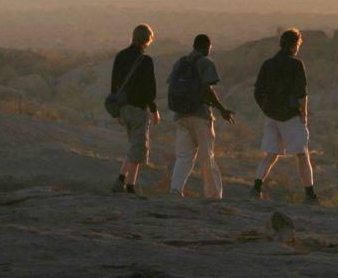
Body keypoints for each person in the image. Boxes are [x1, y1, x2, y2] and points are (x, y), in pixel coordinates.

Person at [251, 29, 319, 204]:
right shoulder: (296, 64)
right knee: (302, 154)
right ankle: (310, 194)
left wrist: (266, 108)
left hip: (272, 114)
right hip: (289, 116)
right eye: (298, 44)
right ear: (294, 44)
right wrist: (303, 115)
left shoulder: (268, 64)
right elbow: (302, 94)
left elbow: (258, 91)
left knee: (271, 153)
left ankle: (256, 188)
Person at [167, 34, 235, 199]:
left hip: (181, 115)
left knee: (184, 156)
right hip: (200, 115)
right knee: (207, 156)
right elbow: (208, 90)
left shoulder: (180, 63)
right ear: (207, 46)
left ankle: (175, 190)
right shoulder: (205, 62)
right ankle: (213, 195)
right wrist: (222, 109)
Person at [109, 24, 158, 194]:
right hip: (138, 109)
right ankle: (130, 187)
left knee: (133, 146)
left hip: (123, 108)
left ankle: (121, 179)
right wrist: (154, 109)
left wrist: (116, 112)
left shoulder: (121, 56)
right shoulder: (146, 61)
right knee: (138, 148)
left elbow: (114, 85)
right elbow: (149, 90)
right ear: (147, 40)